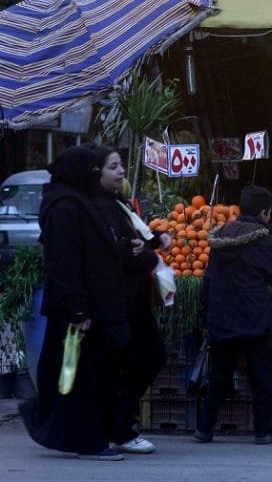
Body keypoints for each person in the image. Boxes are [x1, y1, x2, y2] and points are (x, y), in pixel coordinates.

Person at [20, 146, 130, 461]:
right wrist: (78, 310)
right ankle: (87, 441)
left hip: (84, 307)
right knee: (80, 379)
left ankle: (69, 431)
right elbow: (64, 263)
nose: (98, 175)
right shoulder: (65, 207)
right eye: (95, 170)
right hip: (76, 311)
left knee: (77, 378)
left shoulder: (75, 203)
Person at [89, 145, 173, 455]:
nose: (121, 171)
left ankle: (121, 421)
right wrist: (150, 255)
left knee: (144, 358)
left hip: (132, 301)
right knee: (141, 359)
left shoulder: (117, 203)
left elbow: (139, 238)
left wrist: (154, 240)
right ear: (96, 173)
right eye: (113, 166)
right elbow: (122, 255)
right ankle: (120, 426)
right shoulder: (100, 209)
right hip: (118, 302)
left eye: (121, 165)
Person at [194, 185, 272, 445]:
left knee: (219, 374)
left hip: (221, 315)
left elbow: (209, 279)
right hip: (253, 317)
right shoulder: (263, 240)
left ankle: (204, 428)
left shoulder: (220, 235)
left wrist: (206, 313)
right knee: (260, 375)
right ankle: (262, 431)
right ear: (265, 213)